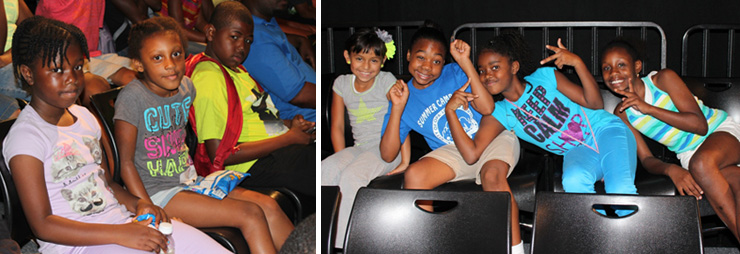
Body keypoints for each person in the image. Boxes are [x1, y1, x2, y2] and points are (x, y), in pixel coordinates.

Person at [3, 15, 230, 254]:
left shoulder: (84, 117)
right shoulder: (26, 137)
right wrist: (122, 234)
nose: (71, 78)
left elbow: (108, 182)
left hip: (121, 223)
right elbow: (43, 225)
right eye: (57, 70)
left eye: (77, 67)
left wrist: (140, 204)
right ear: (28, 74)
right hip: (77, 246)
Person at [114, 14, 293, 253]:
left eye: (176, 54)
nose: (170, 64)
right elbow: (125, 163)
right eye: (157, 58)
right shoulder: (132, 97)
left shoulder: (187, 87)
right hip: (156, 192)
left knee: (268, 205)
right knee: (250, 214)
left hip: (190, 182)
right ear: (138, 64)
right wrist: (144, 205)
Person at [379, 22, 523, 254]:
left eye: (436, 61)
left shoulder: (454, 73)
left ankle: (516, 250)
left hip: (491, 137)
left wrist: (465, 62)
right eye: (420, 57)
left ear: (444, 62)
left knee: (492, 176)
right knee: (414, 174)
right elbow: (387, 154)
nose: (427, 67)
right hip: (454, 150)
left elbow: (487, 108)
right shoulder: (404, 95)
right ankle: (426, 245)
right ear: (408, 55)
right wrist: (397, 108)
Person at [600, 38, 740, 240]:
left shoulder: (662, 80)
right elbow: (647, 160)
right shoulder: (622, 113)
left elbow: (700, 126)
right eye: (606, 68)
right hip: (689, 156)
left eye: (621, 64)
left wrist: (648, 108)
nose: (614, 73)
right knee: (735, 184)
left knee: (702, 165)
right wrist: (672, 170)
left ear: (637, 66)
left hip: (719, 132)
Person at [480, 32, 637, 206]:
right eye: (481, 71)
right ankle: (596, 231)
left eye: (494, 67)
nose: (487, 75)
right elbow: (472, 153)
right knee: (573, 181)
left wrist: (577, 63)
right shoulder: (501, 112)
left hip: (604, 129)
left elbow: (595, 104)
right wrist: (451, 109)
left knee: (619, 189)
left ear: (514, 67)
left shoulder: (544, 77)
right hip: (577, 151)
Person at [188, 1, 315, 209]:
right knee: (318, 167)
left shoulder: (241, 72)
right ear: (211, 32)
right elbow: (220, 153)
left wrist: (292, 124)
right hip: (248, 166)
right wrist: (288, 139)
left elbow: (271, 123)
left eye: (248, 41)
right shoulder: (208, 76)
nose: (242, 47)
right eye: (235, 37)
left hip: (272, 151)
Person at [321, 27, 410, 248]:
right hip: (360, 148)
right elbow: (337, 126)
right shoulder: (341, 84)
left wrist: (406, 160)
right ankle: (320, 238)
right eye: (359, 58)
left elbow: (401, 118)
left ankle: (341, 245)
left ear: (382, 62)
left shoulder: (386, 80)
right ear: (347, 56)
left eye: (373, 60)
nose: (366, 67)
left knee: (352, 177)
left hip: (387, 148)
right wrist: (341, 156)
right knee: (325, 169)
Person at [239, 0, 316, 122]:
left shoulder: (265, 24)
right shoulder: (256, 39)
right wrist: (339, 96)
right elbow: (301, 96)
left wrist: (299, 40)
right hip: (307, 121)